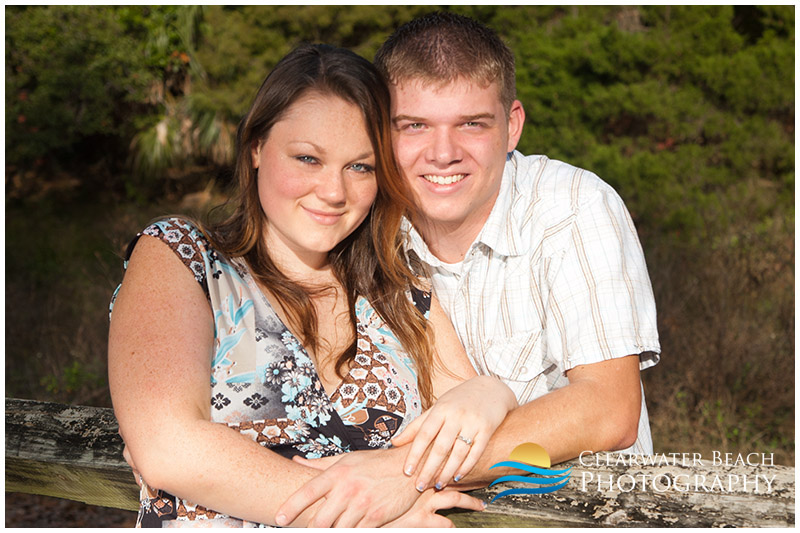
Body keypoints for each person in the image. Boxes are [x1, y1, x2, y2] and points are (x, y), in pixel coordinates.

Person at [274, 11, 661, 527]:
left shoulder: (573, 209)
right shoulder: (361, 228)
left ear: (512, 126)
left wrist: (401, 473)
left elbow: (609, 411)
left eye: (471, 124)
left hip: (582, 516)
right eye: (414, 126)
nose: (443, 154)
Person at [108, 43, 518, 528]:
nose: (333, 191)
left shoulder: (398, 292)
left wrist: (491, 395)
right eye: (307, 158)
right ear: (257, 146)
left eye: (360, 167)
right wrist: (368, 519)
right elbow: (168, 445)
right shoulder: (184, 258)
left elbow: (467, 424)